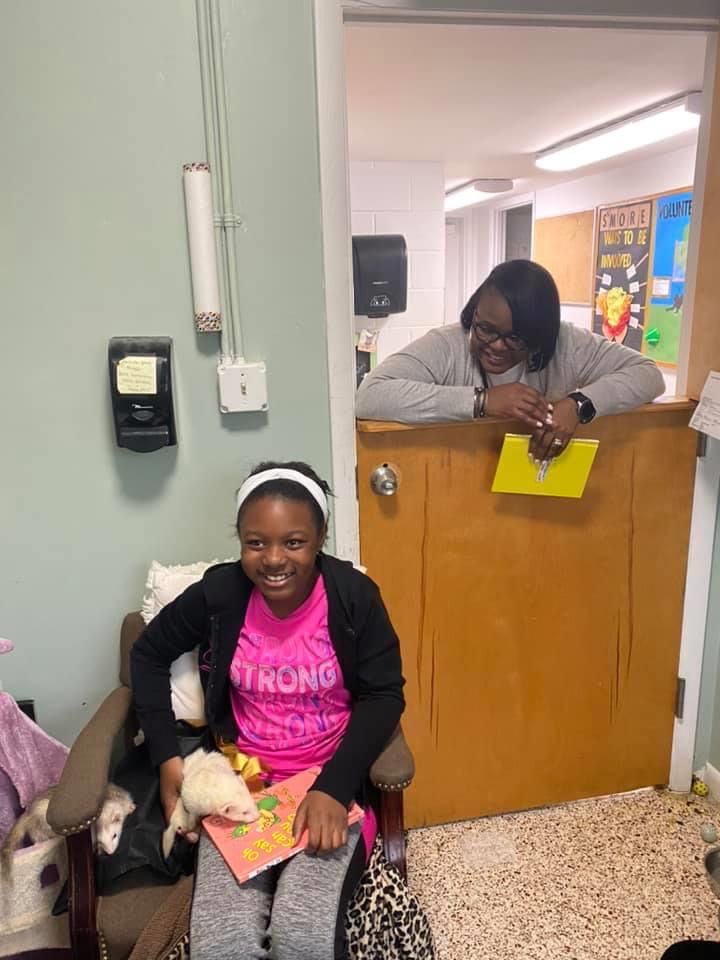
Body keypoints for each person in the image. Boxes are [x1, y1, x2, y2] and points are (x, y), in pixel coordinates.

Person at [130, 461, 405, 960]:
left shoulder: (354, 598)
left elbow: (385, 695)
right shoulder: (221, 594)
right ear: (240, 541)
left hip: (329, 782)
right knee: (223, 943)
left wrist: (334, 787)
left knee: (302, 933)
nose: (274, 559)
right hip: (242, 785)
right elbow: (147, 655)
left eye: (294, 542)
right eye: (256, 543)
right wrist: (167, 759)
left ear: (320, 538)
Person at [356, 259, 666, 462]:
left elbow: (648, 375)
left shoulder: (568, 344)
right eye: (485, 328)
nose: (495, 346)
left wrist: (578, 405)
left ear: (542, 335)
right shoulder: (448, 344)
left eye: (516, 338)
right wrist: (481, 401)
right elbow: (370, 396)